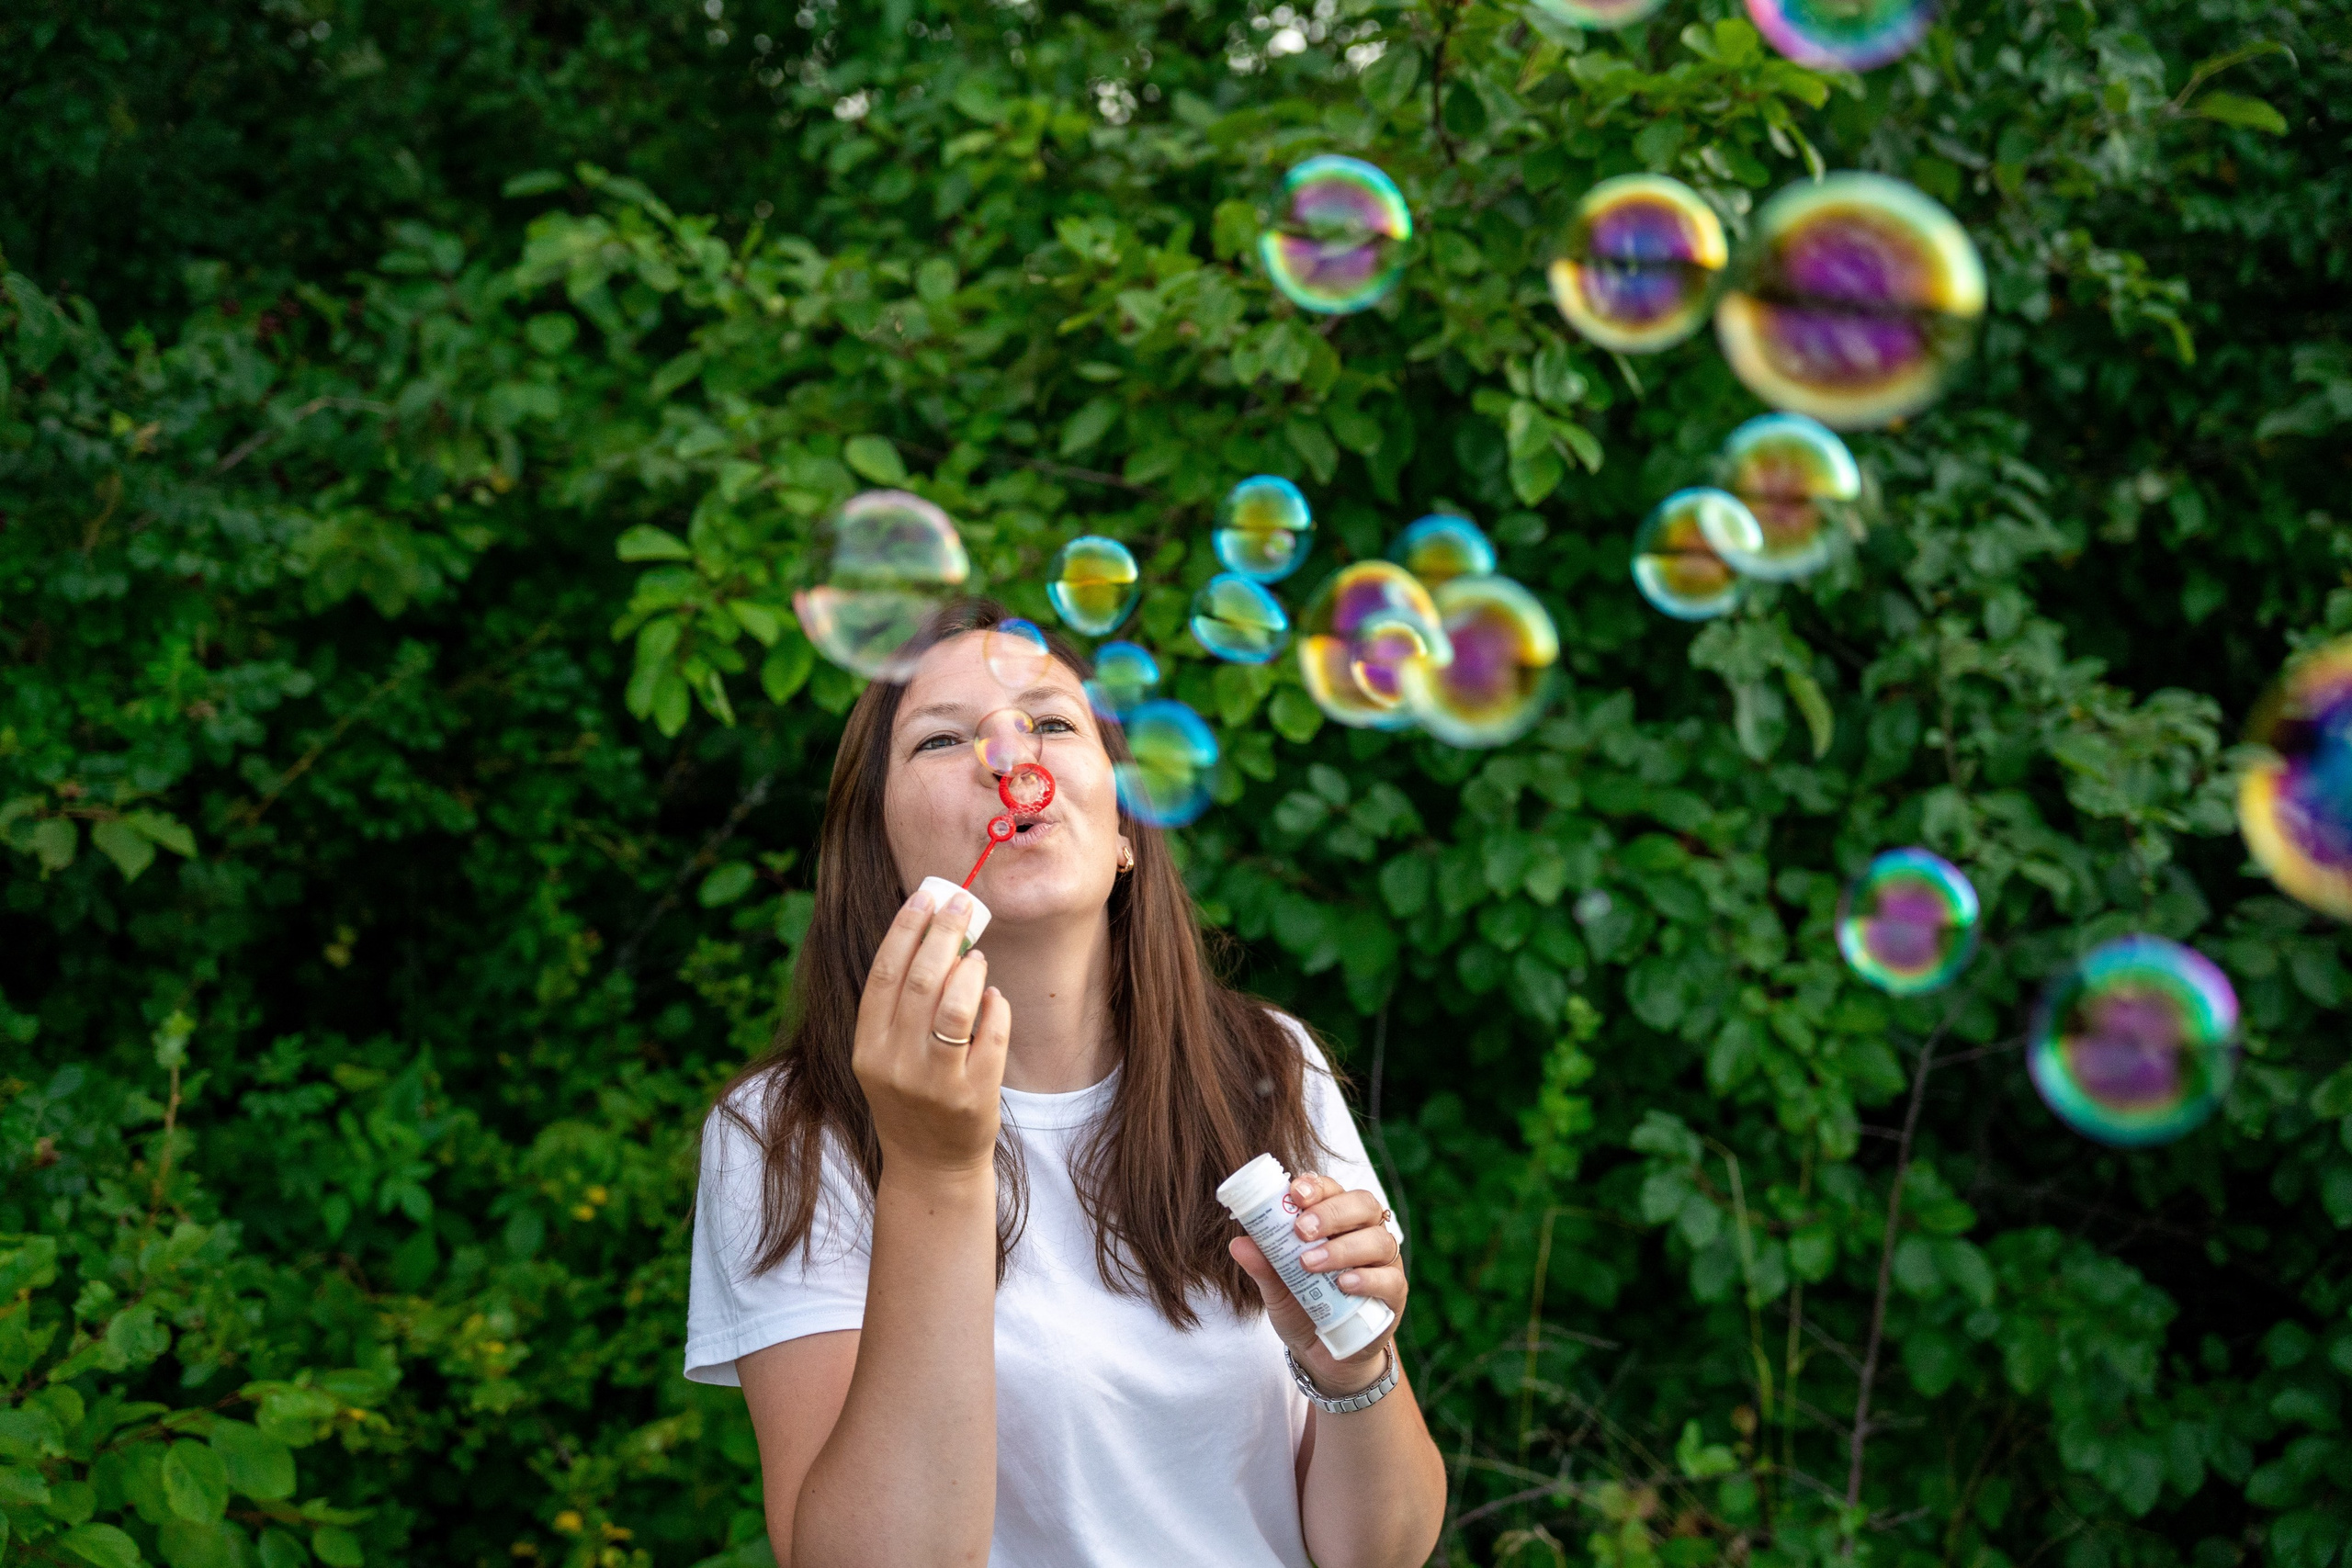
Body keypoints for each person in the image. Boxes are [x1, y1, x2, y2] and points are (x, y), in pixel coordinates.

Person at [684, 601, 1447, 1567]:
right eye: (941, 739)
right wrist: (935, 1170)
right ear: (879, 855)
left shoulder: (1267, 1068)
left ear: (1127, 825)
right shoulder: (787, 1131)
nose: (1007, 758)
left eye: (1049, 722)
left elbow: (1380, 1553)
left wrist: (1354, 1368)